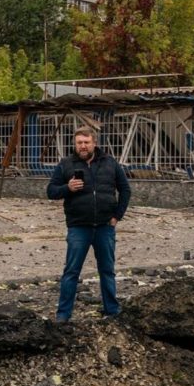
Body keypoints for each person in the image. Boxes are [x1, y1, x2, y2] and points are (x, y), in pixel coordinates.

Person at [46, 125, 131, 322]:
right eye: (79, 143)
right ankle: (63, 316)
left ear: (94, 143)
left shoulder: (110, 163)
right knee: (71, 271)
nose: (83, 146)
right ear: (75, 144)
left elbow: (125, 190)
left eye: (86, 142)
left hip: (104, 227)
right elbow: (51, 191)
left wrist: (117, 216)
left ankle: (112, 311)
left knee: (107, 271)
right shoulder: (66, 164)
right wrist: (67, 188)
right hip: (79, 227)